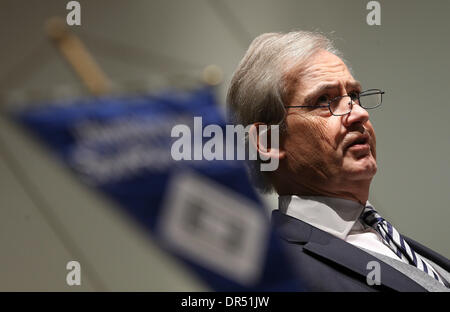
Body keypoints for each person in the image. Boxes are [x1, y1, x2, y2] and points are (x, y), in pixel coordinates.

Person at [226, 31, 450, 291]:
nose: (359, 114)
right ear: (268, 141)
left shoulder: (394, 241)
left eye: (353, 96)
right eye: (324, 100)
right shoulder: (279, 271)